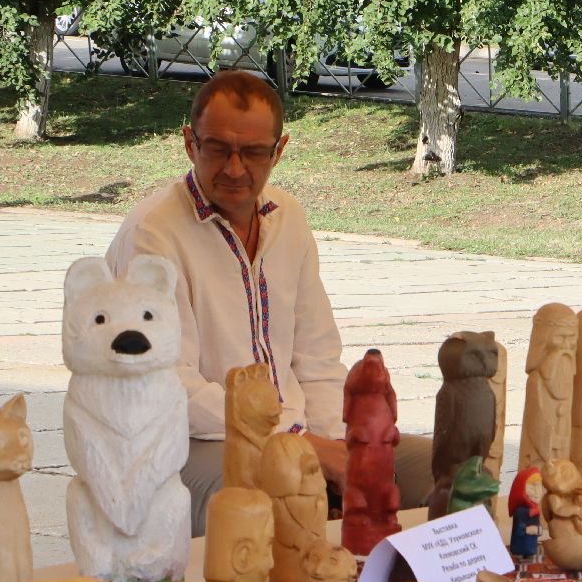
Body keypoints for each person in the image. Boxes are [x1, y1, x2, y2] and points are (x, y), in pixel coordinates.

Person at [108, 69, 433, 536]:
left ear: (279, 151)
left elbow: (317, 358)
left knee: (449, 469)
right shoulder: (152, 235)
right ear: (189, 143)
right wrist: (298, 446)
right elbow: (163, 389)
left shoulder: (288, 219)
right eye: (218, 148)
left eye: (254, 153)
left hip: (297, 434)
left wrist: (341, 445)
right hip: (186, 444)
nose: (236, 169)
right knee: (287, 486)